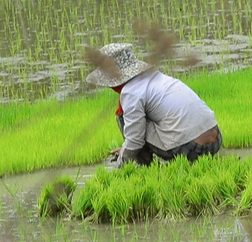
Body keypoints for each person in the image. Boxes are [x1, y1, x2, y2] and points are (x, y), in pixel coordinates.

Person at [84, 42, 222, 167]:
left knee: (122, 117)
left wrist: (122, 162)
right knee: (138, 121)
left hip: (191, 148)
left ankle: (143, 166)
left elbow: (135, 139)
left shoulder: (131, 92)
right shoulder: (155, 77)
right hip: (215, 141)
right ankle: (137, 157)